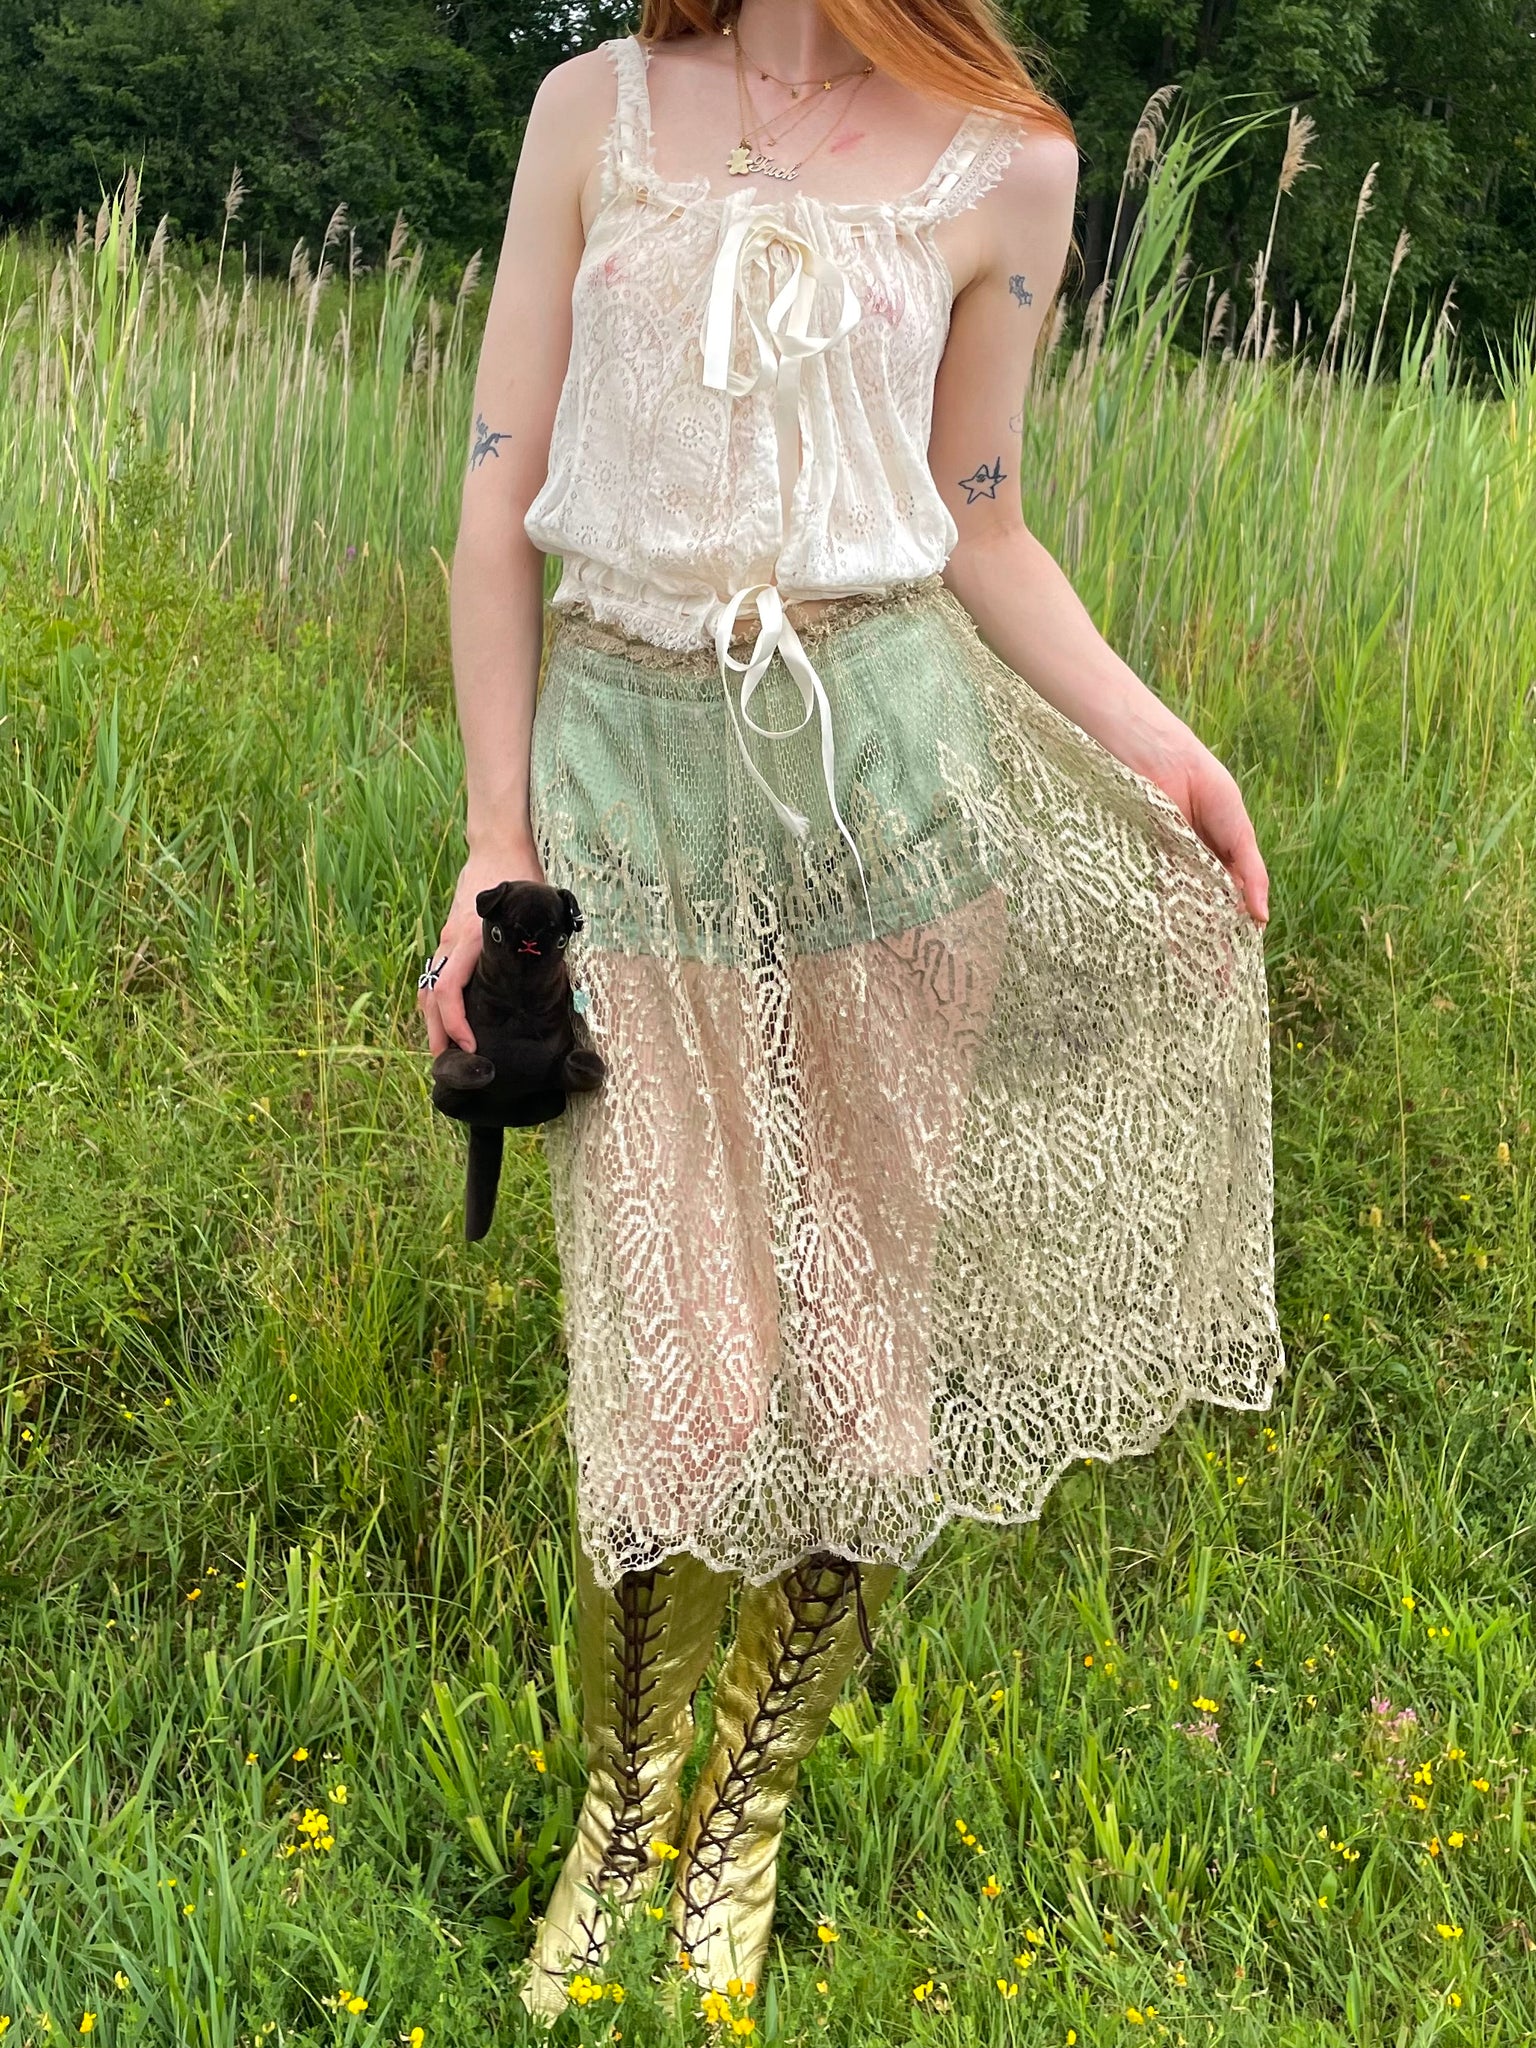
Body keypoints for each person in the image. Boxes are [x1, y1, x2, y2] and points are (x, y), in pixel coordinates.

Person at [417, 0, 1284, 2020]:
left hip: (884, 778)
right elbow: (489, 510)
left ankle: (747, 1812)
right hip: (622, 787)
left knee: (861, 1340)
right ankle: (626, 1816)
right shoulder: (592, 116)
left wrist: (1163, 749)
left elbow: (976, 515)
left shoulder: (1013, 163)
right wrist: (489, 839)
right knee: (676, 1355)